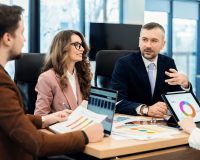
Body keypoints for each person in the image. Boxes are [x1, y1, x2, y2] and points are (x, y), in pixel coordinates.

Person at [0, 4, 103, 160]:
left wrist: (45, 119)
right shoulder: (3, 84)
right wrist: (85, 136)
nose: (25, 39)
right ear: (8, 38)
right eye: (21, 33)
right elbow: (36, 143)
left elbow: (13, 120)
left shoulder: (3, 77)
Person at [111, 22, 191, 118]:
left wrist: (185, 84)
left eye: (154, 41)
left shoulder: (168, 63)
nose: (148, 45)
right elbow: (117, 101)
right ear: (139, 41)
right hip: (133, 120)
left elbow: (178, 99)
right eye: (144, 40)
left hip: (160, 122)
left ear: (163, 44)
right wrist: (146, 109)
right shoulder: (124, 64)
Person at [34, 30, 92, 116]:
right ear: (63, 47)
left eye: (82, 45)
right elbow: (40, 117)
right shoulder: (47, 78)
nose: (82, 49)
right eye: (77, 45)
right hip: (60, 127)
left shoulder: (82, 74)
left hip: (81, 125)